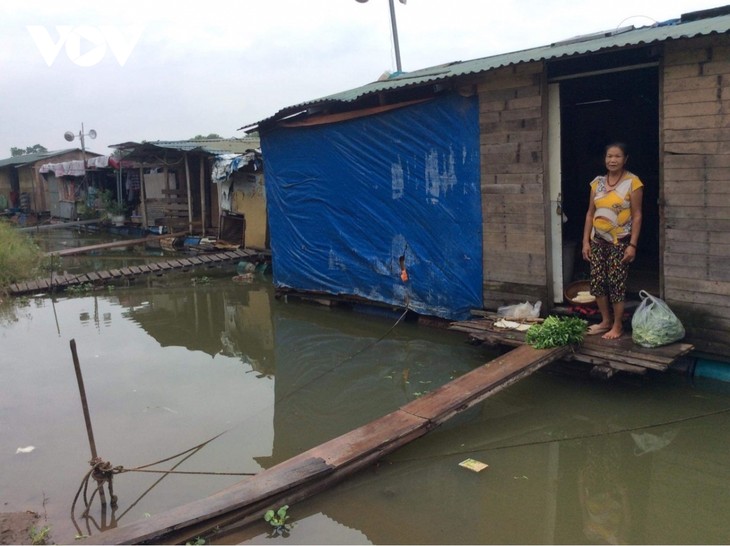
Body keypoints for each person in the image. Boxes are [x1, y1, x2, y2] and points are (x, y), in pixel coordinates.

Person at [582, 143, 643, 340]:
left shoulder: (633, 182)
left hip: (620, 242)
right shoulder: (597, 183)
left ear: (625, 159)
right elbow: (590, 213)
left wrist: (632, 244)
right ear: (604, 158)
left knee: (616, 283)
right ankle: (605, 321)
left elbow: (637, 214)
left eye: (617, 156)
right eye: (609, 156)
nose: (612, 160)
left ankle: (617, 326)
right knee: (598, 282)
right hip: (598, 241)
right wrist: (586, 242)